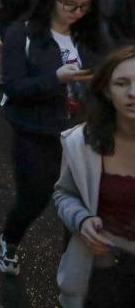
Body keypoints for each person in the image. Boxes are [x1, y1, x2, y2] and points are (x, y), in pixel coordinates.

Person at [0, 0, 103, 277]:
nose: (76, 12)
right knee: (35, 197)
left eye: (84, 6)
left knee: (84, 201)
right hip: (36, 131)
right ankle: (9, 240)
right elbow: (14, 87)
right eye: (68, 4)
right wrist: (54, 78)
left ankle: (74, 266)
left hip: (81, 132)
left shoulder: (88, 35)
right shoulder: (23, 34)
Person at [54, 45, 135, 308]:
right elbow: (64, 193)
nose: (133, 93)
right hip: (101, 273)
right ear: (107, 91)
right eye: (122, 83)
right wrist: (82, 219)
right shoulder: (83, 143)